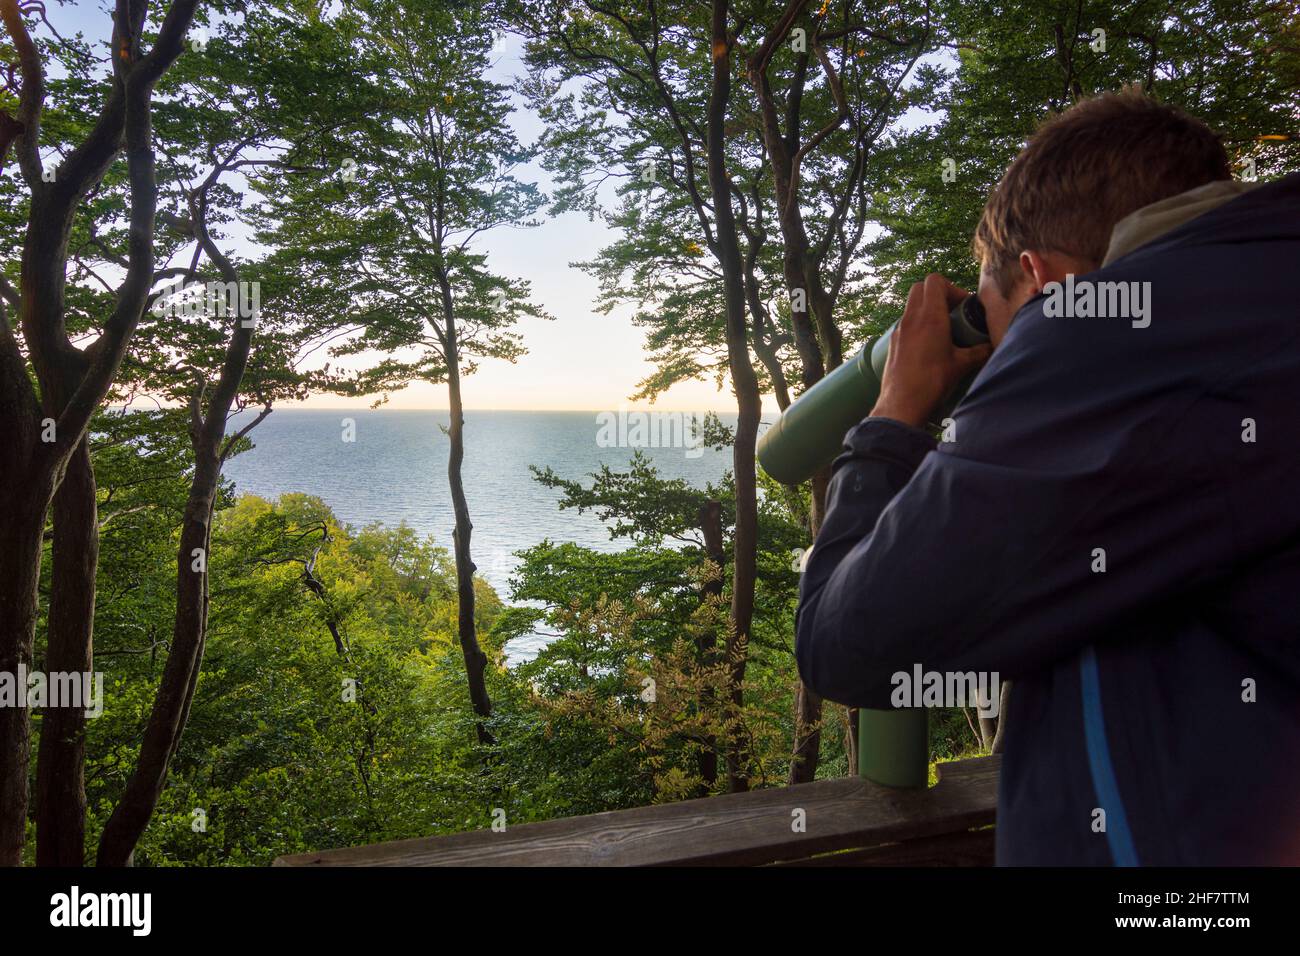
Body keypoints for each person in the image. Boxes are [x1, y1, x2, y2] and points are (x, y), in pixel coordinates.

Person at [795, 89, 1300, 865]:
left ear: (1040, 279)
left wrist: (894, 415)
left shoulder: (1104, 338)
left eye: (1003, 328)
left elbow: (849, 646)